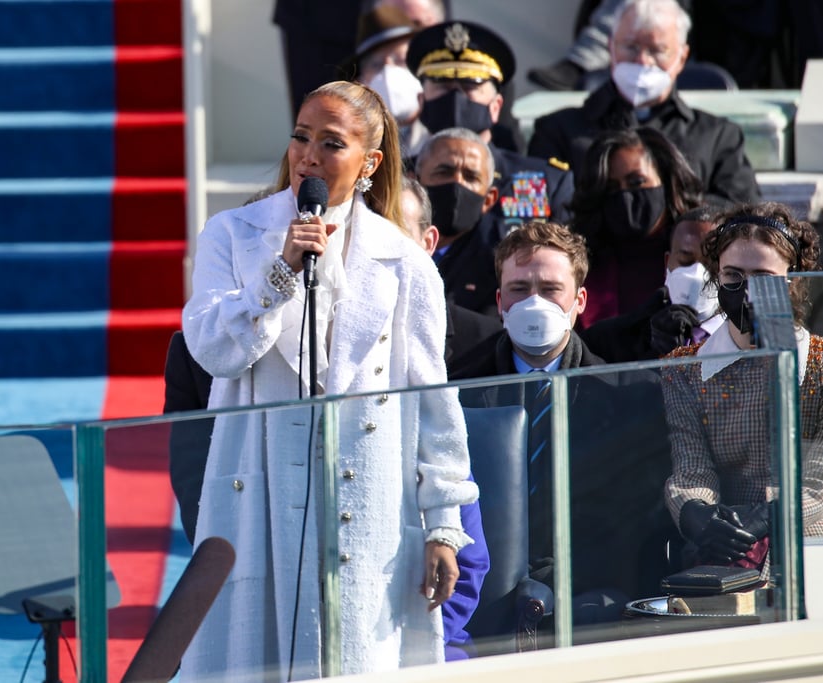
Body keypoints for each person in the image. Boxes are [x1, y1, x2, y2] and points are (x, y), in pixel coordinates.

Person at [180, 80, 478, 680]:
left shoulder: (406, 263)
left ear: (369, 162)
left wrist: (445, 523)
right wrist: (279, 274)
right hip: (258, 487)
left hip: (364, 493)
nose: (307, 156)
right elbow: (213, 349)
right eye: (300, 137)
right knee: (251, 653)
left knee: (356, 656)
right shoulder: (232, 235)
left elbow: (433, 402)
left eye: (330, 143)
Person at [163, 328, 490, 663]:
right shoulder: (207, 354)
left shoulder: (398, 365)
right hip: (267, 616)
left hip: (394, 635)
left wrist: (409, 638)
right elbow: (201, 504)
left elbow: (467, 562)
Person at [450, 221, 675, 623]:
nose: (534, 302)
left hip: (595, 600)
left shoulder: (632, 395)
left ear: (580, 300)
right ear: (500, 301)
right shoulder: (457, 391)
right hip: (481, 601)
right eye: (520, 289)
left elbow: (635, 522)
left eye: (551, 289)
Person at [660, 202, 823, 579]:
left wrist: (766, 517)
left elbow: (822, 477)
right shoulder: (684, 369)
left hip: (805, 527)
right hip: (722, 538)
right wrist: (697, 513)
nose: (746, 289)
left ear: (794, 280)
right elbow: (690, 466)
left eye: (763, 277)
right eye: (733, 275)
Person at [528, 0, 760, 205]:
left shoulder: (717, 137)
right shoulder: (560, 131)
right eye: (631, 47)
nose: (642, 60)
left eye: (657, 50)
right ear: (611, 47)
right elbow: (545, 211)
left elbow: (742, 209)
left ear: (681, 57)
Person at [406, 20, 575, 239]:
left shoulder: (547, 182)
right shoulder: (396, 177)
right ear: (421, 102)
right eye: (443, 86)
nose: (456, 98)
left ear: (496, 107)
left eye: (470, 87)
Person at [568, 126, 703, 327]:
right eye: (612, 188)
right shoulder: (580, 262)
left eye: (637, 182)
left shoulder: (699, 250)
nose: (625, 195)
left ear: (666, 180)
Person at [581, 204, 724, 362]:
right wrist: (656, 353)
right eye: (685, 261)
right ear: (667, 263)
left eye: (710, 263)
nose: (698, 273)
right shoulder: (609, 340)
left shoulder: (751, 336)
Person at [401, 175, 502, 360]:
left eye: (399, 232)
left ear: (428, 242)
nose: (382, 244)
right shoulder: (331, 321)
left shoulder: (485, 341)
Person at [413, 127, 501, 317]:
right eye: (444, 172)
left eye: (471, 177)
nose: (457, 183)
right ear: (415, 182)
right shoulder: (385, 240)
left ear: (489, 199)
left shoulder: (499, 265)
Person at [337, 6, 429, 156]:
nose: (388, 71)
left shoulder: (441, 142)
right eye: (376, 65)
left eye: (400, 60)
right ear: (359, 81)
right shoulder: (344, 149)